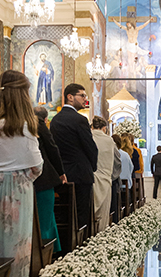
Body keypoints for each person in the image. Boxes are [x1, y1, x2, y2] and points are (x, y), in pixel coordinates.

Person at [0, 71, 43, 277]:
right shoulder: (24, 127)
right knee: (16, 251)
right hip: (17, 191)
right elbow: (37, 166)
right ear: (22, 96)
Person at [50, 84, 98, 236]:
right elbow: (90, 147)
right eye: (82, 96)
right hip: (81, 175)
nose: (85, 99)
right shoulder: (80, 120)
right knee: (82, 215)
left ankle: (66, 248)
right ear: (70, 97)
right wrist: (92, 167)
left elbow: (54, 148)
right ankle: (81, 246)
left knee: (65, 213)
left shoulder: (55, 120)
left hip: (63, 174)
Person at [33, 105, 66, 256]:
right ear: (46, 119)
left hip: (29, 178)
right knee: (46, 217)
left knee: (45, 216)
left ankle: (48, 251)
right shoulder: (39, 125)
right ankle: (47, 253)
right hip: (43, 178)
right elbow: (52, 148)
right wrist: (61, 172)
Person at [92, 117, 115, 232]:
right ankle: (101, 235)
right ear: (104, 128)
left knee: (91, 211)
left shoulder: (88, 137)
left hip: (91, 177)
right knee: (103, 214)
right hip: (105, 177)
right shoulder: (109, 140)